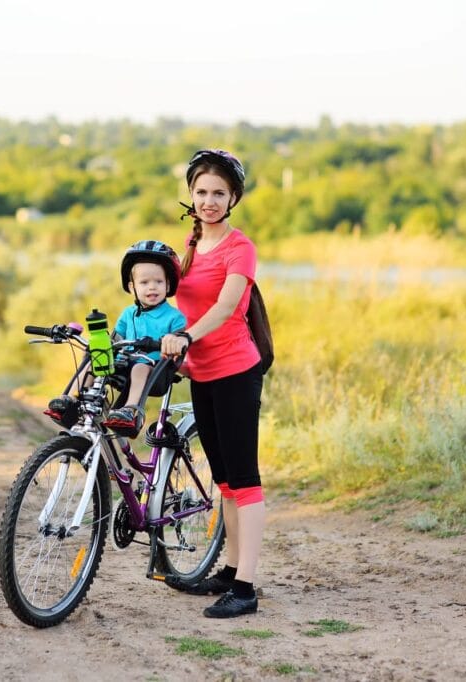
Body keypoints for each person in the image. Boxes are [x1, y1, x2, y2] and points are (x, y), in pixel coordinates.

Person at [159, 149, 265, 619]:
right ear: (191, 194)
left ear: (233, 197)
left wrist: (185, 337)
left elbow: (224, 308)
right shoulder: (190, 244)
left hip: (236, 371)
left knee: (244, 480)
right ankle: (230, 569)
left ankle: (246, 588)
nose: (208, 201)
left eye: (219, 193)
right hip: (199, 371)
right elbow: (174, 304)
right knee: (223, 480)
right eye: (201, 192)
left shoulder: (240, 248)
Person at [45, 240, 186, 438]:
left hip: (155, 370)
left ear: (168, 284)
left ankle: (129, 409)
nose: (152, 288)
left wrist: (171, 342)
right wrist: (100, 344)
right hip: (124, 364)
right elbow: (115, 338)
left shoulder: (174, 317)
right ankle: (70, 399)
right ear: (132, 287)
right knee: (97, 358)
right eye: (144, 283)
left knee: (140, 367)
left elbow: (179, 342)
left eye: (159, 282)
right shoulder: (128, 314)